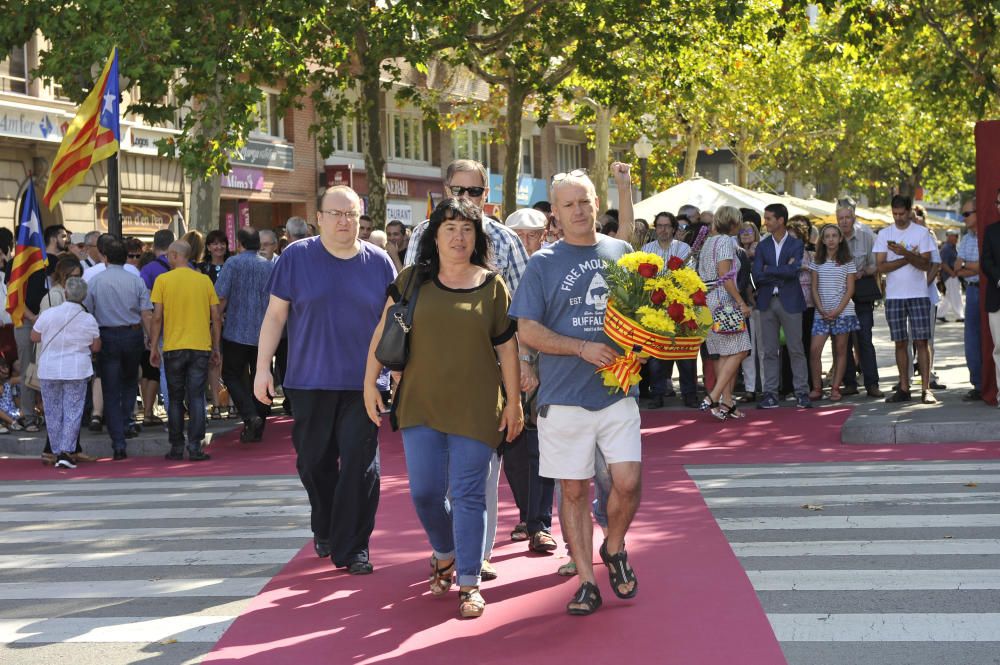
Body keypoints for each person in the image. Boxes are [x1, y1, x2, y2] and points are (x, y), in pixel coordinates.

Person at [364, 197, 522, 619]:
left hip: (477, 405)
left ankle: (468, 581)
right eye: (449, 227)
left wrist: (515, 404)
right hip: (420, 402)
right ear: (434, 235)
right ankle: (445, 552)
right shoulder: (413, 279)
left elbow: (507, 349)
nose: (458, 236)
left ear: (477, 237)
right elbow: (383, 333)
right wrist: (369, 383)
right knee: (425, 492)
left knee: (470, 494)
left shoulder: (493, 285)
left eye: (467, 229)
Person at [511, 169, 641, 616]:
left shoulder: (620, 252)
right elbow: (526, 329)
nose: (580, 211)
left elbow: (640, 313)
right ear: (557, 215)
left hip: (618, 390)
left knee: (627, 481)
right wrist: (581, 347)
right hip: (563, 396)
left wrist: (646, 345)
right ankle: (587, 581)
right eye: (570, 205)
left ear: (595, 203)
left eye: (585, 201)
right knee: (573, 492)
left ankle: (616, 547)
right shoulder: (543, 264)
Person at [403, 159, 536, 582]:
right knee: (430, 486)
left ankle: (474, 562)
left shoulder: (508, 242)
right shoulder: (423, 236)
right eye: (458, 191)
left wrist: (524, 368)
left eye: (474, 193)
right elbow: (405, 309)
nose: (465, 201)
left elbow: (522, 311)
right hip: (431, 381)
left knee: (476, 482)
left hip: (489, 376)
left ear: (486, 196)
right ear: (444, 190)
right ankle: (451, 551)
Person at [254, 185, 395, 575]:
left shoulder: (381, 263)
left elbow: (395, 325)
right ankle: (327, 524)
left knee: (360, 465)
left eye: (351, 213)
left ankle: (355, 547)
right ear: (319, 218)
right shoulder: (296, 258)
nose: (344, 221)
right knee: (313, 462)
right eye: (336, 213)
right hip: (309, 380)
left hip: (364, 384)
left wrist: (396, 372)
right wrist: (262, 368)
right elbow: (275, 317)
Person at [503, 208, 553, 551]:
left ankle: (541, 522)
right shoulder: (497, 272)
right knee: (514, 445)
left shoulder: (553, 266)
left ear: (544, 236)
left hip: (549, 364)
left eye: (532, 235)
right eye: (518, 236)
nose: (525, 242)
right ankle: (527, 513)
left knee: (543, 443)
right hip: (504, 364)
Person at [149, 241, 220, 461]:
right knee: (197, 396)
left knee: (176, 397)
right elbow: (216, 317)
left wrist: (153, 346)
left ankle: (177, 446)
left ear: (173, 255)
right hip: (200, 345)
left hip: (174, 347)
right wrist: (216, 346)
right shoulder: (204, 281)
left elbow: (157, 316)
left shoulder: (163, 280)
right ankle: (196, 446)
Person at [83, 238, 153, 460]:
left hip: (106, 335)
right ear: (126, 258)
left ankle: (118, 442)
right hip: (132, 334)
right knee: (130, 382)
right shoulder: (135, 280)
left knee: (111, 389)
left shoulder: (96, 281)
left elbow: (89, 313)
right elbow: (146, 313)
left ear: (105, 257)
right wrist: (151, 338)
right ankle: (126, 423)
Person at [30, 277, 101, 470]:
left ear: (65, 293)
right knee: (72, 412)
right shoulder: (88, 318)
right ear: (84, 297)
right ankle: (66, 452)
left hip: (49, 369)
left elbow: (34, 336)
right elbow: (95, 347)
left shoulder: (49, 314)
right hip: (76, 369)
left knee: (52, 412)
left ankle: (54, 451)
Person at [874, 194, 936, 404]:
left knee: (921, 341)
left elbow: (926, 265)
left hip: (918, 293)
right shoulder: (884, 234)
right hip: (894, 295)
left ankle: (926, 389)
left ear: (910, 211)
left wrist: (903, 253)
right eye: (895, 213)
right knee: (900, 342)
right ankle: (903, 387)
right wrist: (908, 256)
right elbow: (881, 267)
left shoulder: (921, 233)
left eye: (902, 213)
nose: (898, 217)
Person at [216, 227, 274, 442]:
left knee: (231, 374)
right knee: (261, 375)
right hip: (264, 332)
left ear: (239, 243)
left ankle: (250, 415)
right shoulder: (269, 265)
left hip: (236, 331)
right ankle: (258, 423)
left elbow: (220, 295)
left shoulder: (233, 263)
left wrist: (216, 321)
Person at [752, 203, 811, 409]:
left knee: (796, 349)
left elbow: (794, 270)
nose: (765, 222)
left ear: (780, 220)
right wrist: (780, 270)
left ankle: (802, 392)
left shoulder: (796, 244)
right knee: (768, 350)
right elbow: (757, 274)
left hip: (791, 301)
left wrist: (771, 269)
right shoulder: (762, 245)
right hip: (767, 301)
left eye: (768, 218)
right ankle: (770, 393)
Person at [697, 206, 752, 419]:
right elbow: (725, 275)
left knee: (722, 353)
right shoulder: (726, 242)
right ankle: (714, 396)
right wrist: (741, 302)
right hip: (723, 300)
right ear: (733, 222)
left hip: (708, 301)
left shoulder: (708, 242)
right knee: (741, 349)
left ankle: (726, 402)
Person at [641, 212, 698, 408]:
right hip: (655, 307)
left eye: (667, 226)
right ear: (655, 228)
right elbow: (642, 277)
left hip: (680, 306)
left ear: (674, 228)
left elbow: (689, 275)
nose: (663, 229)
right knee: (657, 354)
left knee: (685, 352)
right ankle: (657, 394)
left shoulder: (683, 249)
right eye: (659, 226)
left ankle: (690, 394)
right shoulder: (647, 249)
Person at [808, 224, 859, 401]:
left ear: (840, 238)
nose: (830, 239)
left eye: (834, 236)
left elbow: (850, 289)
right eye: (827, 236)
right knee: (814, 350)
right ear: (822, 239)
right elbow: (813, 287)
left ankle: (836, 387)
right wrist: (821, 308)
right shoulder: (816, 260)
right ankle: (817, 387)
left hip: (843, 313)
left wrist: (837, 310)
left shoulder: (848, 261)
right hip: (821, 313)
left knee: (841, 351)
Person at [837, 199, 882, 398]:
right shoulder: (831, 236)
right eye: (841, 218)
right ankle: (849, 383)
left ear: (853, 217)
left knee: (865, 338)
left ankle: (872, 383)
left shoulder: (866, 235)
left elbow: (876, 266)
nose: (844, 222)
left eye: (847, 217)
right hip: (839, 296)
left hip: (862, 294)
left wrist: (863, 271)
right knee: (842, 341)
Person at [955, 197, 982, 401]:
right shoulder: (965, 239)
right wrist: (975, 266)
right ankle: (979, 384)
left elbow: (986, 267)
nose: (963, 218)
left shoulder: (989, 235)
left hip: (990, 290)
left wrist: (969, 266)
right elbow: (957, 268)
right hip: (972, 290)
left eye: (966, 214)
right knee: (971, 339)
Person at [981, 188, 1000, 407]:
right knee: (999, 348)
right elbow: (986, 261)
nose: (999, 206)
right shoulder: (991, 231)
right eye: (997, 203)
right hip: (997, 297)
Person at [938, 228, 963, 322]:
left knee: (949, 296)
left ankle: (940, 313)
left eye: (957, 236)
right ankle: (960, 315)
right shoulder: (946, 248)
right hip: (950, 275)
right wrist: (952, 273)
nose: (957, 238)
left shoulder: (952, 247)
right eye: (955, 236)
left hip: (953, 274)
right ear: (950, 236)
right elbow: (943, 263)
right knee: (956, 295)